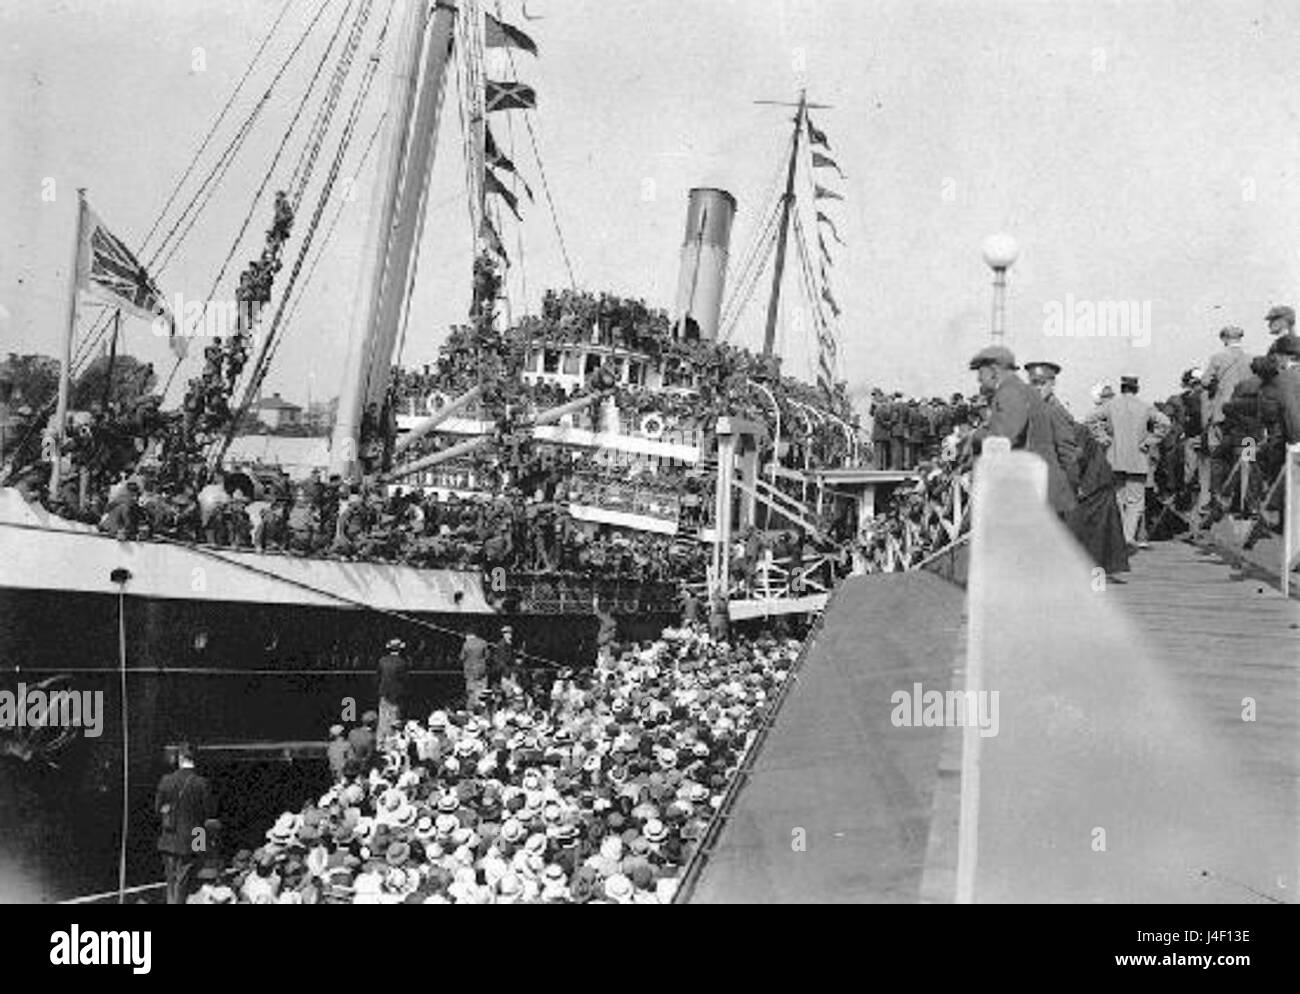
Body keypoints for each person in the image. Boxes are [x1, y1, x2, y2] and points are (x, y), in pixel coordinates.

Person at [967, 345, 1074, 517]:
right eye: (1034, 382)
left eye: (981, 372)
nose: (979, 379)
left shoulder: (1013, 393)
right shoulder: (1023, 395)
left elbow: (1004, 438)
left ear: (994, 370)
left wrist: (975, 437)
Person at [1092, 375, 1171, 550]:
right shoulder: (1145, 406)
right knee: (1135, 501)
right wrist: (1150, 441)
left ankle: (1118, 536)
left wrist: (1103, 438)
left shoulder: (1111, 405)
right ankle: (1128, 536)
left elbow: (1090, 419)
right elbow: (1165, 422)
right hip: (1138, 459)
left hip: (1115, 458)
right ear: (1136, 389)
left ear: (1121, 388)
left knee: (1118, 498)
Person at [155, 740, 216, 905]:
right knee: (186, 881)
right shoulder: (202, 783)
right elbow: (209, 813)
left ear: (179, 757)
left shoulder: (166, 780)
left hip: (168, 838)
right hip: (194, 839)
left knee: (171, 880)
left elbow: (157, 809)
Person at [1199, 325, 1250, 516]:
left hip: (1222, 415)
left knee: (1218, 457)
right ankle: (1245, 502)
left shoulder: (1218, 358)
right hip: (1246, 418)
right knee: (1246, 457)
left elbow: (1205, 382)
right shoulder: (1251, 359)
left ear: (1224, 338)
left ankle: (1217, 500)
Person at [1024, 360, 1080, 503]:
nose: (1037, 388)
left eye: (1042, 383)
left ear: (1052, 384)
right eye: (1033, 383)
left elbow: (1068, 455)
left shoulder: (1056, 412)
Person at [376, 637, 410, 743]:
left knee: (383, 719)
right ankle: (391, 742)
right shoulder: (402, 662)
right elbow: (405, 680)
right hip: (396, 696)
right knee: (394, 719)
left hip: (384, 694)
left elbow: (378, 677)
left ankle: (381, 741)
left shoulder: (382, 661)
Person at [460, 630, 490, 710]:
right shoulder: (483, 642)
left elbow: (462, 657)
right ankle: (482, 710)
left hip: (470, 672)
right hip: (482, 671)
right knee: (482, 692)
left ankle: (472, 710)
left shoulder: (466, 644)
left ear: (468, 635)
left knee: (471, 693)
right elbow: (487, 656)